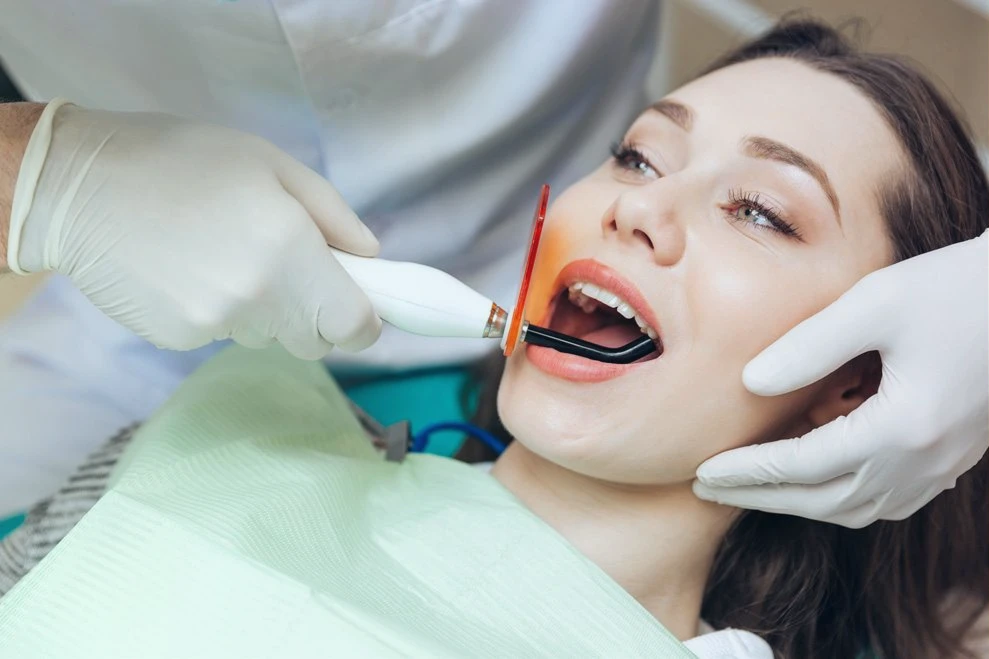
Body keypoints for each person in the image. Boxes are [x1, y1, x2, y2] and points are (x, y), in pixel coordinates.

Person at [1, 19, 985, 659]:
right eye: (637, 154)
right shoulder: (230, 429)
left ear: (857, 385)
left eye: (762, 212)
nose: (641, 208)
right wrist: (47, 179)